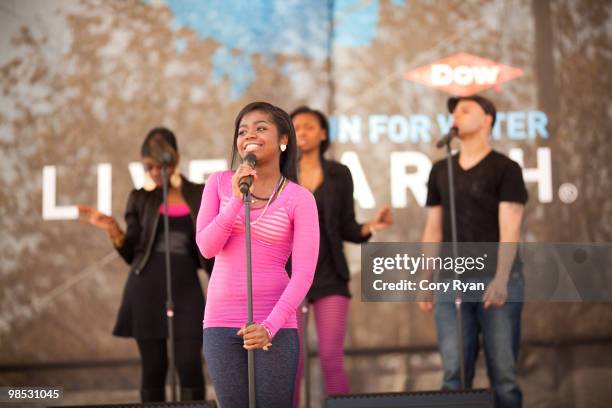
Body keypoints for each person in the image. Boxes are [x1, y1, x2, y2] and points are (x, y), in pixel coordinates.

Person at [196, 102, 319, 408]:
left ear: (283, 139)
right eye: (242, 130)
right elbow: (206, 248)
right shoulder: (219, 184)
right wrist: (236, 201)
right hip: (220, 323)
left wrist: (269, 327)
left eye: (261, 127)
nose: (249, 135)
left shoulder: (299, 198)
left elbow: (303, 274)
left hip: (274, 324)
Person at [79, 127, 212, 402]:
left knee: (189, 365)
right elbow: (131, 255)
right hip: (146, 290)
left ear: (172, 159)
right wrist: (114, 229)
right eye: (147, 167)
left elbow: (209, 245)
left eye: (157, 165)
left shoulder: (198, 193)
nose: (152, 172)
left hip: (186, 289)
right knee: (153, 368)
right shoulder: (140, 198)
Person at [419, 95, 528, 408]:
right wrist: (427, 277)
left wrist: (502, 278)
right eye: (453, 110)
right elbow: (433, 229)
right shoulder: (441, 170)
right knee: (454, 375)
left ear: (487, 119)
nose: (456, 114)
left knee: (504, 377)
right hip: (451, 282)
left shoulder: (505, 168)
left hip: (496, 279)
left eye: (466, 110)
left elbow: (510, 229)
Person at [290, 106, 393, 406]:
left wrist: (370, 226)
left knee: (331, 360)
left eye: (310, 126)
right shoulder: (281, 173)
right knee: (290, 364)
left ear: (323, 134)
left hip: (330, 275)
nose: (303, 132)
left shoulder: (339, 173)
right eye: (297, 127)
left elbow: (346, 225)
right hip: (289, 277)